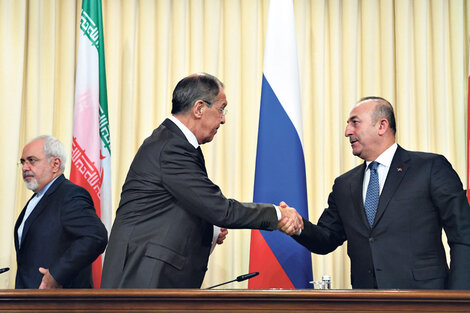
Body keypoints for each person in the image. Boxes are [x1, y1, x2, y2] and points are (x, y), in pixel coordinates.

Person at [101, 73, 302, 289]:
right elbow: (220, 209)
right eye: (221, 108)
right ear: (199, 108)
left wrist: (210, 229)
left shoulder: (171, 142)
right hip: (143, 279)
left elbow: (175, 207)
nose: (223, 119)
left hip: (150, 277)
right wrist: (278, 214)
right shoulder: (171, 147)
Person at [279, 96, 470, 289]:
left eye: (355, 123)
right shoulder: (344, 184)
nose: (347, 132)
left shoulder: (430, 168)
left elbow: (463, 233)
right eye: (348, 125)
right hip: (367, 300)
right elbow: (326, 238)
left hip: (423, 299)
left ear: (381, 126)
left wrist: (459, 297)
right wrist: (299, 226)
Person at [14, 135, 108, 289]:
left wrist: (56, 274)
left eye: (32, 160)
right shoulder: (36, 199)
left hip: (60, 303)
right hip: (31, 302)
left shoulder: (70, 195)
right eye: (23, 162)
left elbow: (95, 236)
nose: (25, 167)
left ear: (55, 164)